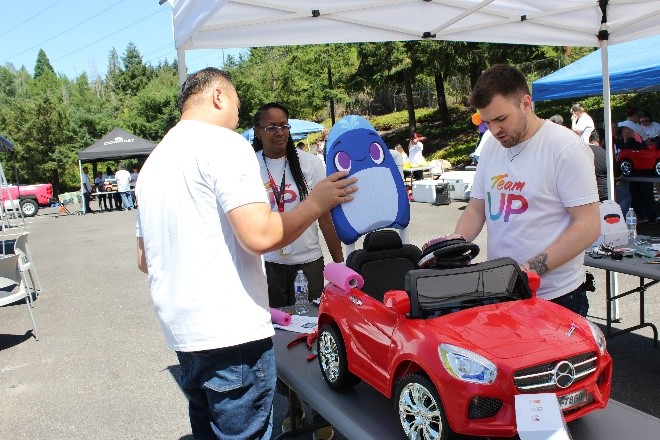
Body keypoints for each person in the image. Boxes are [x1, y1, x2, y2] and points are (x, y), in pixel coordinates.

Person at [135, 68, 356, 440]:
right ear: (219, 95)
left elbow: (144, 259)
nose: (237, 116)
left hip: (182, 334)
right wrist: (316, 203)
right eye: (237, 105)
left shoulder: (154, 162)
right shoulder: (223, 144)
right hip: (229, 333)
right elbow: (259, 234)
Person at [454, 64, 600, 317]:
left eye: (501, 119)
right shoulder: (491, 146)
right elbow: (477, 208)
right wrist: (454, 246)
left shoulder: (564, 147)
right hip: (503, 293)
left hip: (556, 297)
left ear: (526, 103)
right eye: (487, 122)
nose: (494, 130)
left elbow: (588, 226)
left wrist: (527, 270)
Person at [252, 102, 341, 440]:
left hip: (310, 263)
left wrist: (339, 264)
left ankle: (322, 410)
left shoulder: (309, 163)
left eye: (284, 126)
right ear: (258, 131)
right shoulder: (251, 167)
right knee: (281, 342)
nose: (279, 133)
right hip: (272, 267)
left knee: (316, 335)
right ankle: (295, 407)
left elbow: (326, 217)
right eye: (271, 127)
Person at [588, 129, 608, 201]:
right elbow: (618, 175)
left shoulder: (580, 151)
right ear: (601, 140)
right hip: (603, 195)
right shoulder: (605, 154)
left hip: (585, 194)